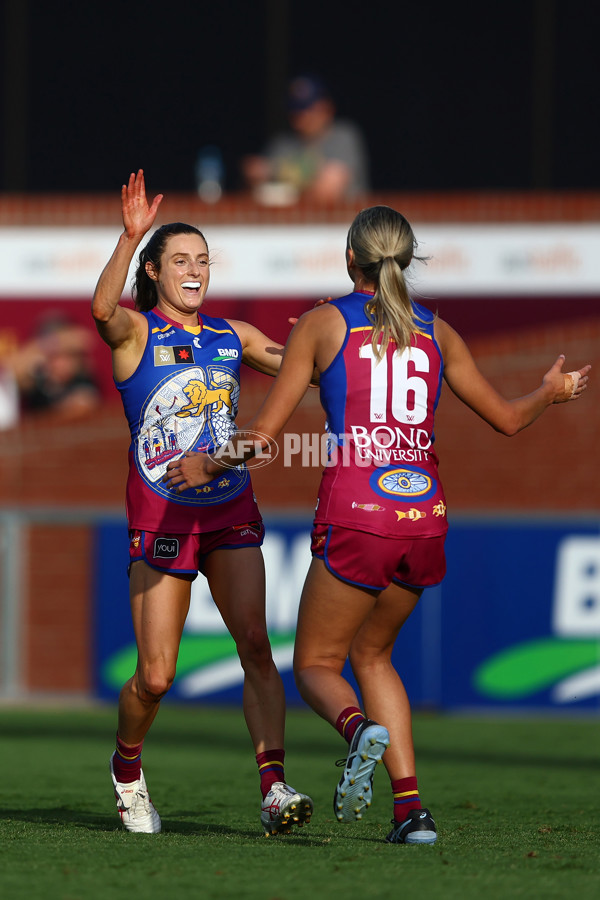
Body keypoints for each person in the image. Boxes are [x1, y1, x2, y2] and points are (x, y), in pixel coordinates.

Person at [164, 205, 591, 845]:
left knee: (314, 664)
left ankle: (358, 731)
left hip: (358, 515)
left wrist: (206, 464)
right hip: (426, 518)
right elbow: (506, 420)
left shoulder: (322, 323)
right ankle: (412, 813)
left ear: (349, 259)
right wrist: (550, 394)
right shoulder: (437, 333)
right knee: (374, 654)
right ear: (406, 259)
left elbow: (262, 440)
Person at [91, 170, 313, 836]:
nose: (196, 270)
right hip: (161, 519)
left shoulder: (233, 335)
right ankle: (127, 769)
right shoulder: (135, 334)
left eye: (204, 261)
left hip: (230, 511)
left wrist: (325, 336)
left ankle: (274, 789)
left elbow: (305, 369)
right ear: (155, 271)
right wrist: (127, 239)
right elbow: (102, 311)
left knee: (255, 647)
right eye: (182, 260)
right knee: (156, 678)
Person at [242, 75, 369, 205]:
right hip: (291, 223)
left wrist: (275, 173)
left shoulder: (344, 136)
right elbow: (254, 182)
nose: (301, 116)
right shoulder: (282, 144)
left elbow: (328, 190)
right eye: (296, 109)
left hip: (343, 222)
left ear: (327, 107)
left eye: (308, 109)